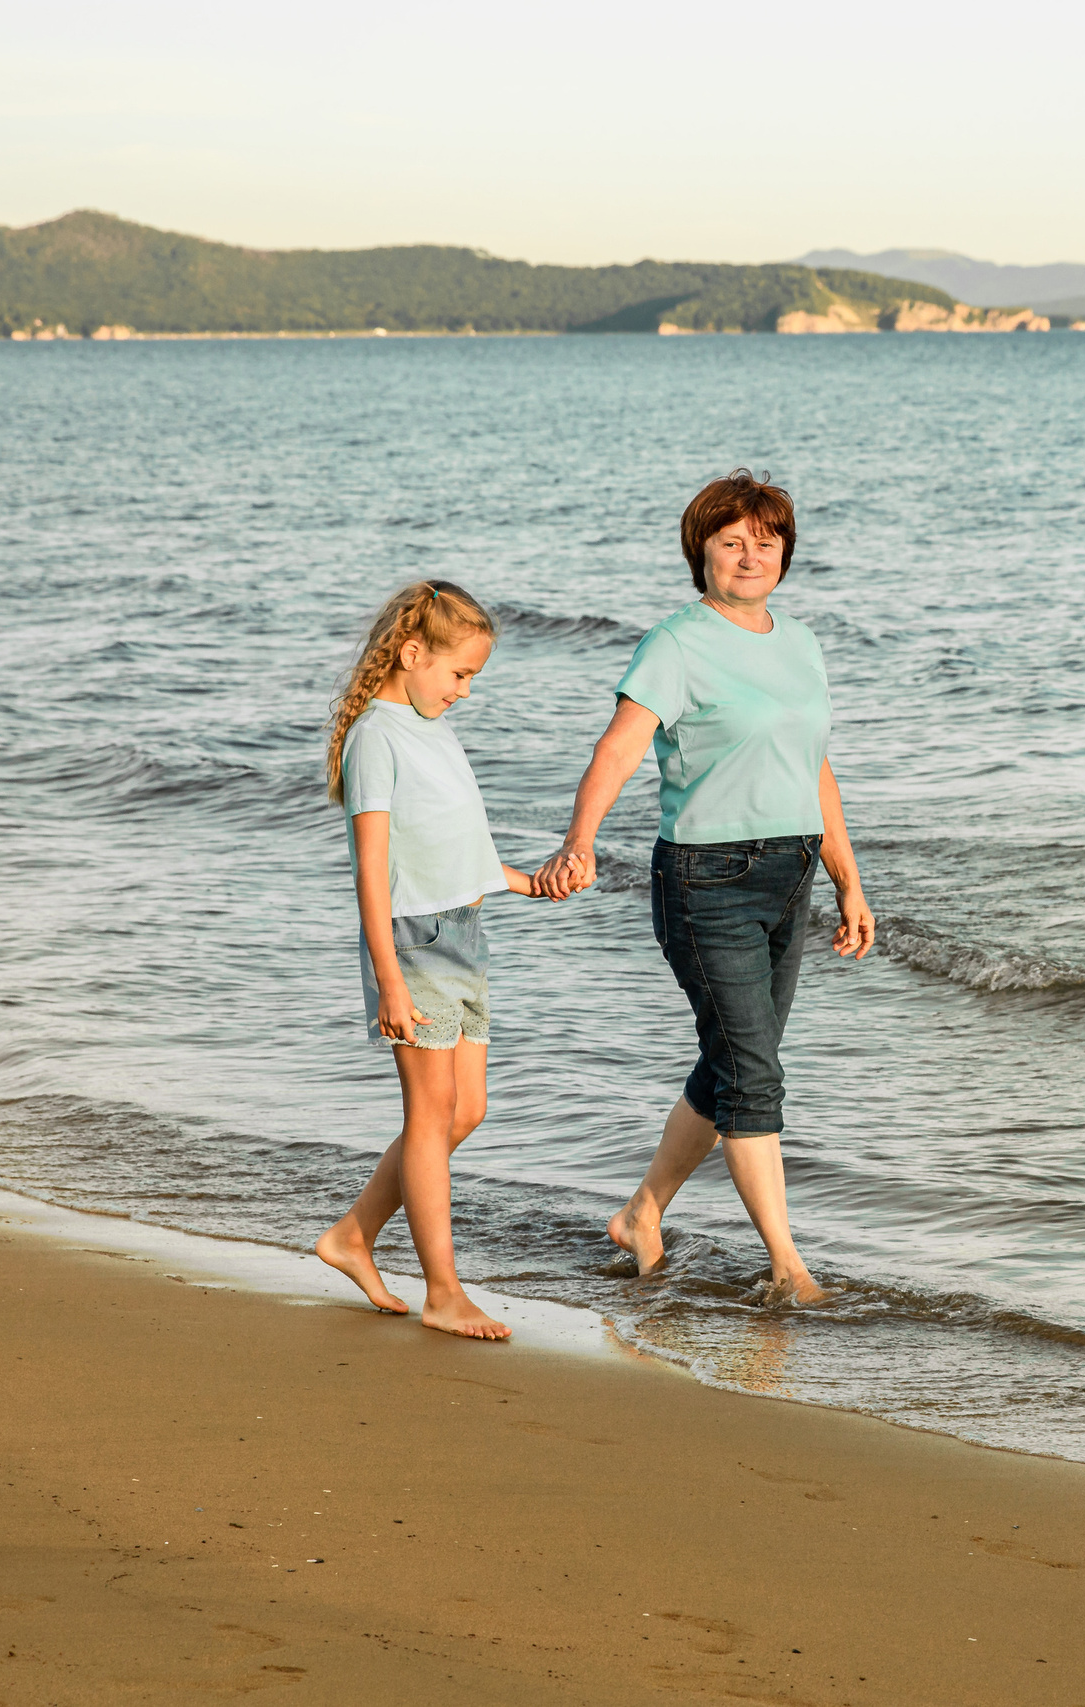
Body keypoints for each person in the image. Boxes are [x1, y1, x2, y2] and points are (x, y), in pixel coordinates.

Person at [538, 470, 874, 1304]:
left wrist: (849, 882)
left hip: (790, 874)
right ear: (703, 555)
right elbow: (617, 750)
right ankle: (790, 1267)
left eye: (766, 540)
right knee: (753, 1072)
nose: (751, 554)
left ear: (786, 553)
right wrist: (580, 839)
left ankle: (641, 1214)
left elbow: (815, 766)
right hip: (706, 881)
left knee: (735, 1060)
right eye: (732, 541)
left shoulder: (801, 644)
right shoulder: (676, 643)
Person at [311, 579, 546, 1340]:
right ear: (413, 654)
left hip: (464, 932)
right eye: (458, 674)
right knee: (430, 1113)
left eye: (472, 677)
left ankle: (354, 1234)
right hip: (412, 941)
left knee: (464, 1111)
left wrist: (524, 881)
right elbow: (371, 869)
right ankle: (443, 1290)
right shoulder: (377, 736)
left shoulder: (430, 727)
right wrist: (387, 977)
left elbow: (454, 843)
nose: (465, 690)